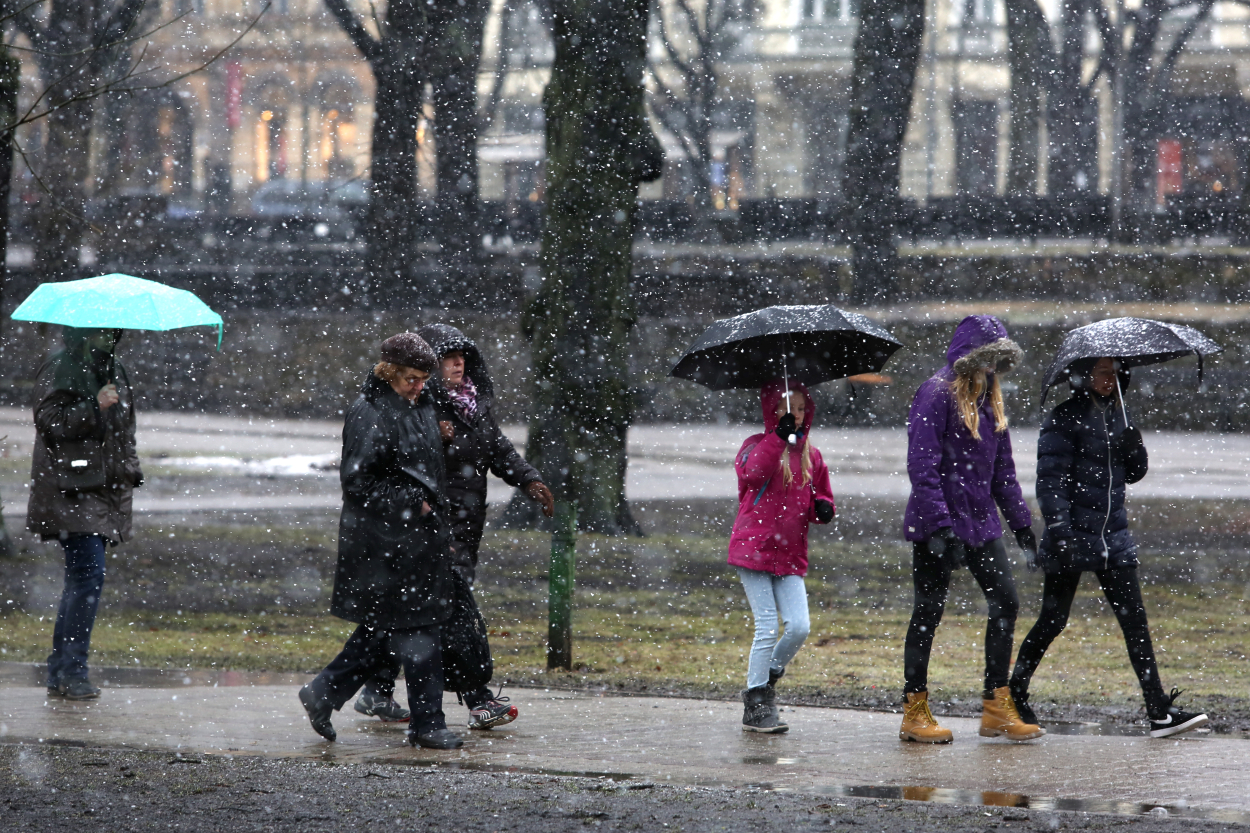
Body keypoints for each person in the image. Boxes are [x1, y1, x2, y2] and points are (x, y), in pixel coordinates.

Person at [352, 323, 555, 731]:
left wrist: (529, 479)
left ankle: (369, 686)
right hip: (427, 531)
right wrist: (434, 439)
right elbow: (390, 464)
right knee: (452, 613)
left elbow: (497, 448)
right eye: (448, 357)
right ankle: (477, 700)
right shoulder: (412, 403)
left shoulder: (472, 405)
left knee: (408, 611)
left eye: (463, 356)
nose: (458, 363)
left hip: (464, 527)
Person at [1009, 357, 1210, 738]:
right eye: (1102, 371)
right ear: (1083, 376)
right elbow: (1050, 482)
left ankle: (1159, 711)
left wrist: (1135, 448)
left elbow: (1133, 473)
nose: (1109, 378)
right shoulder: (1064, 417)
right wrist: (1060, 531)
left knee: (1135, 622)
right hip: (1071, 535)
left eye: (1115, 371)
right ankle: (1014, 692)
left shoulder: (1120, 413)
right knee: (1053, 620)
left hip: (1113, 538)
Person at [298, 333, 462, 750]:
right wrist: (414, 504)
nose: (419, 386)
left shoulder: (418, 405)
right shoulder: (369, 412)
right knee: (416, 631)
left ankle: (325, 691)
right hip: (385, 545)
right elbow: (358, 482)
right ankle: (426, 723)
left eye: (424, 378)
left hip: (412, 542)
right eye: (411, 378)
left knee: (390, 631)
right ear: (389, 372)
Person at [899, 315, 1043, 744]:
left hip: (982, 524)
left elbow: (1004, 472)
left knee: (1006, 603)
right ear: (971, 358)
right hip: (936, 524)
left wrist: (1021, 525)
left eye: (998, 362)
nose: (992, 370)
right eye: (987, 360)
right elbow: (921, 467)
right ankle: (914, 710)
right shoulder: (935, 393)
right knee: (928, 613)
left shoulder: (990, 401)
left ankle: (996, 706)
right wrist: (942, 528)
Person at [29, 328, 142, 701]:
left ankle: (61, 668)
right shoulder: (62, 367)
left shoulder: (113, 368)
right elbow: (50, 423)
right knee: (87, 578)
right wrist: (94, 405)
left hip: (101, 489)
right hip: (71, 487)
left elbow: (124, 431)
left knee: (82, 580)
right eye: (102, 332)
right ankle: (72, 670)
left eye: (114, 332)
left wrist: (129, 467)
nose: (109, 338)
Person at [728, 378, 835, 733]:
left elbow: (821, 492)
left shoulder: (811, 455)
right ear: (771, 410)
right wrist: (778, 436)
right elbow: (753, 474)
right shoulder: (755, 446)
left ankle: (768, 676)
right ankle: (757, 700)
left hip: (789, 553)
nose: (797, 415)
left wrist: (822, 507)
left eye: (802, 408)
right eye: (788, 408)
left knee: (800, 626)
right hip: (753, 549)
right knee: (766, 626)